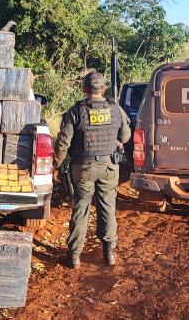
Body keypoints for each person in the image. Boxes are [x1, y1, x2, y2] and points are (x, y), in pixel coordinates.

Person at [53, 72, 131, 269]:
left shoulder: (76, 111)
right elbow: (126, 136)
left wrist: (56, 166)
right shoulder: (116, 109)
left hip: (83, 168)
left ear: (84, 89)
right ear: (103, 89)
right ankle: (110, 253)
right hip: (109, 167)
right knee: (108, 208)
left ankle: (74, 257)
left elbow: (63, 143)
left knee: (81, 209)